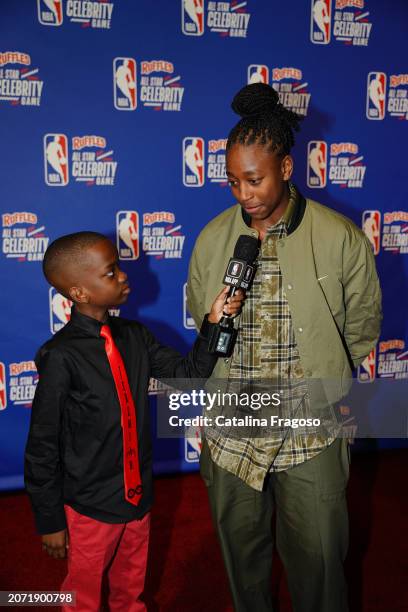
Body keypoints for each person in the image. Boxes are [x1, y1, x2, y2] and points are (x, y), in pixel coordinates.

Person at [186, 83, 382, 612]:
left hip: (309, 429)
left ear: (287, 169)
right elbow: (200, 323)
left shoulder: (339, 237)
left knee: (319, 565)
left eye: (255, 179)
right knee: (242, 563)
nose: (244, 193)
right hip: (233, 427)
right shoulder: (210, 240)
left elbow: (362, 326)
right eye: (233, 181)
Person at [25, 231, 243, 612]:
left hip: (137, 498)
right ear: (80, 293)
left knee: (132, 591)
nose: (124, 276)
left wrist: (213, 321)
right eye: (111, 272)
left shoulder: (135, 337)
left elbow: (188, 374)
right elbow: (43, 443)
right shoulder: (60, 357)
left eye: (119, 267)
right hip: (90, 506)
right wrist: (49, 520)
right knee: (82, 599)